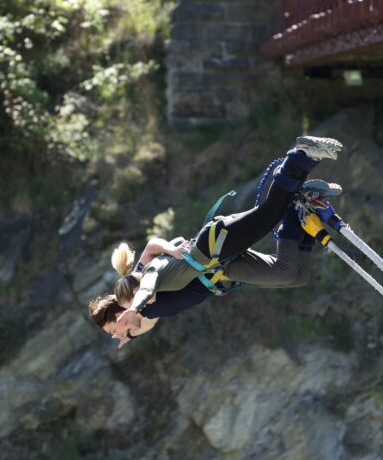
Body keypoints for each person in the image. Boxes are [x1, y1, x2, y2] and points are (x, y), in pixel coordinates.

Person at [89, 135, 344, 346]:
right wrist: (129, 329)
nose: (118, 336)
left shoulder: (148, 284)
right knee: (292, 274)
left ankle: (300, 157)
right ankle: (301, 214)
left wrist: (136, 306)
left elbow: (145, 287)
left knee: (269, 215)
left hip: (214, 246)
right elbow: (141, 322)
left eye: (115, 330)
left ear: (124, 311)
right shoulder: (149, 308)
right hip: (221, 269)